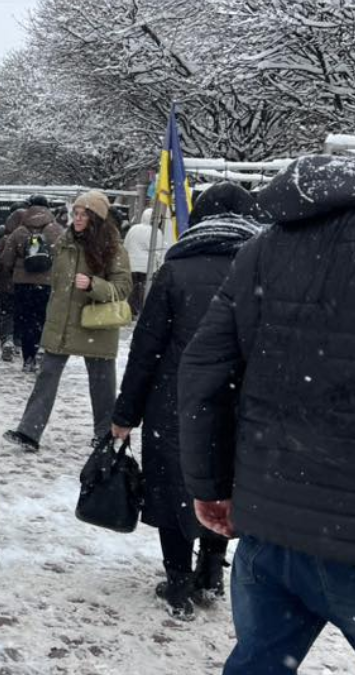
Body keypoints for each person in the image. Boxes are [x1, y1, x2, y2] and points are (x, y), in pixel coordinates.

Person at [179, 156, 355, 673]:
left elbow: (204, 374)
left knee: (258, 664)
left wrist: (209, 485)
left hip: (269, 523)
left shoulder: (260, 250)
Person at [111, 182, 262, 621]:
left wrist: (125, 414)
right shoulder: (266, 270)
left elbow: (146, 349)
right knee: (224, 483)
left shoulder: (176, 269)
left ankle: (177, 581)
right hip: (239, 403)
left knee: (174, 486)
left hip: (175, 400)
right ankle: (211, 570)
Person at [3, 190, 131, 452]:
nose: (78, 218)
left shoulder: (113, 247)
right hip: (61, 322)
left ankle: (105, 435)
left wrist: (94, 285)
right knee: (46, 376)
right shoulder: (64, 241)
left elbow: (123, 287)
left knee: (102, 384)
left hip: (95, 323)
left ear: (97, 218)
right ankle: (29, 432)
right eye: (76, 213)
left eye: (85, 214)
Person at [0, 198, 62, 373]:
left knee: (26, 321)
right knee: (43, 318)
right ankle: (41, 347)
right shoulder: (55, 230)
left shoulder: (20, 231)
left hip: (23, 283)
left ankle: (28, 358)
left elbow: (6, 259)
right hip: (47, 283)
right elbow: (64, 256)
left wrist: (16, 269)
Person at [0, 203, 27, 362]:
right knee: (20, 313)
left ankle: (6, 339)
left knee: (5, 313)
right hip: (23, 284)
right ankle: (17, 341)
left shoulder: (3, 236)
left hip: (4, 284)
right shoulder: (30, 237)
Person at [122, 208, 166, 316]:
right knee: (145, 290)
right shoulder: (157, 232)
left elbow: (126, 245)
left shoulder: (133, 229)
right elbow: (157, 252)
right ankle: (141, 312)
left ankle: (130, 311)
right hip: (147, 267)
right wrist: (159, 266)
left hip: (132, 265)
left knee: (132, 289)